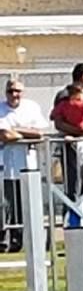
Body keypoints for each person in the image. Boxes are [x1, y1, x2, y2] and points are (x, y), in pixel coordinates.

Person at [0, 79, 47, 253]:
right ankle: (6, 241)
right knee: (6, 205)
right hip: (6, 166)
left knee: (26, 205)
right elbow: (4, 135)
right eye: (11, 91)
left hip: (28, 164)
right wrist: (25, 131)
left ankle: (25, 240)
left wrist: (16, 131)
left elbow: (40, 133)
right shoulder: (1, 109)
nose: (14, 95)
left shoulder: (31, 107)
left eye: (17, 91)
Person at [53, 63, 83, 215]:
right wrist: (80, 132)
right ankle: (72, 223)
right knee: (74, 186)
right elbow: (59, 123)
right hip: (72, 148)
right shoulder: (65, 95)